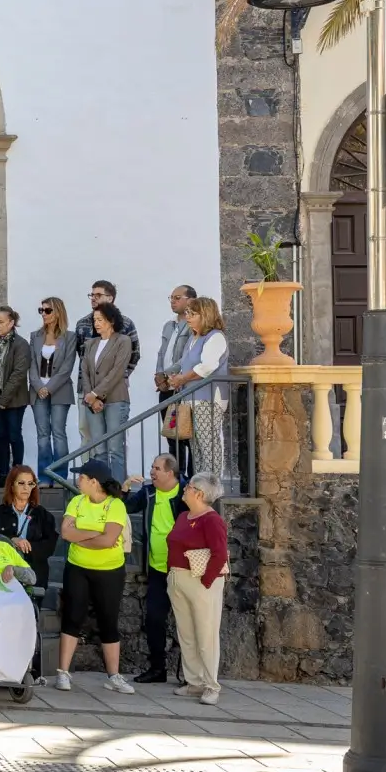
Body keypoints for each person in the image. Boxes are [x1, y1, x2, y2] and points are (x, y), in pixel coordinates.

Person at [56, 459, 135, 695]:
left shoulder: (115, 505)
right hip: (77, 567)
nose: (77, 480)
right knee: (72, 617)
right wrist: (93, 534)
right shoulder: (76, 501)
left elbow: (108, 540)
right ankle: (63, 673)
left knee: (108, 621)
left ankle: (113, 676)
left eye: (81, 477)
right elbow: (65, 533)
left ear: (93, 481)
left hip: (109, 571)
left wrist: (80, 535)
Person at [0, 464, 57, 680]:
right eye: (21, 483)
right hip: (4, 576)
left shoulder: (43, 515)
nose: (26, 488)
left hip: (33, 574)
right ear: (11, 485)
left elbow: (50, 546)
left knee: (29, 622)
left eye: (31, 483)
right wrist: (12, 542)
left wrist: (30, 546)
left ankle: (31, 672)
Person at [168, 472, 231, 704]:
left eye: (189, 486)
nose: (185, 489)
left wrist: (206, 583)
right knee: (187, 634)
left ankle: (211, 685)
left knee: (206, 635)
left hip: (202, 581)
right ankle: (194, 681)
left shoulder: (212, 520)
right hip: (179, 579)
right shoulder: (184, 516)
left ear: (200, 494)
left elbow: (219, 553)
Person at [123, 453, 185, 685]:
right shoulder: (149, 492)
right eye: (152, 467)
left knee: (186, 622)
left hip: (182, 569)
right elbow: (126, 506)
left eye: (157, 468)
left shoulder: (185, 493)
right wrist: (126, 487)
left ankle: (190, 674)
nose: (152, 472)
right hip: (157, 569)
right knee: (154, 620)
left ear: (170, 473)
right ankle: (158, 669)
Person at [165, 296, 231, 485]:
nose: (188, 317)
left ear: (205, 315)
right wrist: (168, 375)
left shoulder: (215, 337)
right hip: (191, 399)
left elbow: (207, 367)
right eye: (187, 313)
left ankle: (212, 486)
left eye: (192, 314)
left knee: (208, 445)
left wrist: (182, 379)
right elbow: (184, 363)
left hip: (207, 399)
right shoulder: (195, 339)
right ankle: (201, 485)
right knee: (197, 447)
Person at [78, 302, 135, 480]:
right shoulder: (90, 344)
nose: (96, 323)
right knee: (99, 448)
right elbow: (85, 371)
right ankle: (101, 489)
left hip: (116, 399)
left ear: (111, 320)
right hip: (92, 401)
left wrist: (95, 394)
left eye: (100, 319)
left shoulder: (123, 341)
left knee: (115, 448)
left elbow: (118, 371)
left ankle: (118, 489)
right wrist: (91, 397)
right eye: (94, 319)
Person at [29, 297, 78, 488]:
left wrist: (49, 388)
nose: (44, 314)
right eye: (41, 310)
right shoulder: (35, 336)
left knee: (58, 432)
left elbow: (67, 367)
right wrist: (38, 386)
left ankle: (60, 476)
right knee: (42, 434)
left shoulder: (70, 336)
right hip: (37, 390)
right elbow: (31, 363)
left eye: (48, 310)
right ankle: (44, 476)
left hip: (60, 390)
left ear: (57, 312)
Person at [156, 285, 199, 478]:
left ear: (190, 300)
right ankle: (175, 477)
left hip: (182, 387)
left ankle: (190, 478)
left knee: (187, 435)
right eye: (171, 297)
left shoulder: (192, 326)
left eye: (177, 297)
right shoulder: (168, 325)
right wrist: (159, 376)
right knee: (172, 434)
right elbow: (162, 352)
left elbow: (187, 357)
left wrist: (173, 376)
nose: (173, 301)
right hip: (167, 387)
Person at [0, 305, 32, 486]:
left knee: (14, 434)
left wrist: (4, 399)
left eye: (1, 322)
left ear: (11, 322)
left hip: (14, 398)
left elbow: (19, 373)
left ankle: (17, 473)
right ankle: (3, 474)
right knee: (1, 436)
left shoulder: (20, 344)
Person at [75, 280, 141, 379]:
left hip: (115, 385)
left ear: (110, 298)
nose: (93, 298)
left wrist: (121, 376)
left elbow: (134, 354)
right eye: (92, 295)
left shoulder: (126, 324)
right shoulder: (82, 324)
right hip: (86, 383)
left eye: (98, 295)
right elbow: (81, 353)